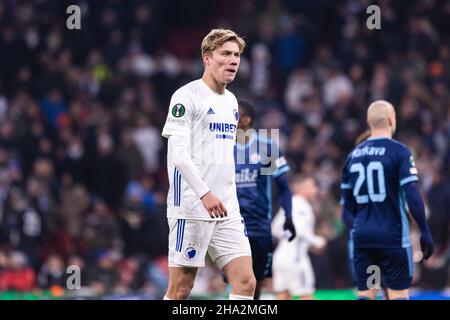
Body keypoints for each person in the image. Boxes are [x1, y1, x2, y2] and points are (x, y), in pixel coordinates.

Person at [161, 28, 256, 300]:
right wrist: (205, 193)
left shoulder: (232, 102)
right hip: (192, 205)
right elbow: (177, 154)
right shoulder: (186, 96)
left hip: (226, 207)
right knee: (181, 289)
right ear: (207, 58)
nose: (233, 60)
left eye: (236, 55)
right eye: (225, 54)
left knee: (246, 282)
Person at [340, 100, 434, 300]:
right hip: (392, 238)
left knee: (368, 293)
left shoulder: (352, 156)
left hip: (364, 240)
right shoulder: (399, 152)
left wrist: (358, 230)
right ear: (392, 120)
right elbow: (412, 194)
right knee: (398, 293)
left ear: (368, 121)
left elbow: (346, 209)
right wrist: (424, 230)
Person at [233, 99, 296, 299]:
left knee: (256, 282)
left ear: (246, 120)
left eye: (234, 115)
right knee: (237, 282)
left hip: (259, 225)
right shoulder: (223, 147)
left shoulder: (266, 147)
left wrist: (288, 215)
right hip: (232, 225)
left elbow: (283, 187)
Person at [271, 175, 326, 300]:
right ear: (302, 188)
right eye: (312, 186)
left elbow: (275, 228)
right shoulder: (302, 205)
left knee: (283, 295)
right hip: (296, 260)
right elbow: (300, 231)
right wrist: (318, 241)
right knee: (306, 295)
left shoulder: (288, 204)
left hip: (280, 258)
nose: (315, 190)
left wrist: (287, 238)